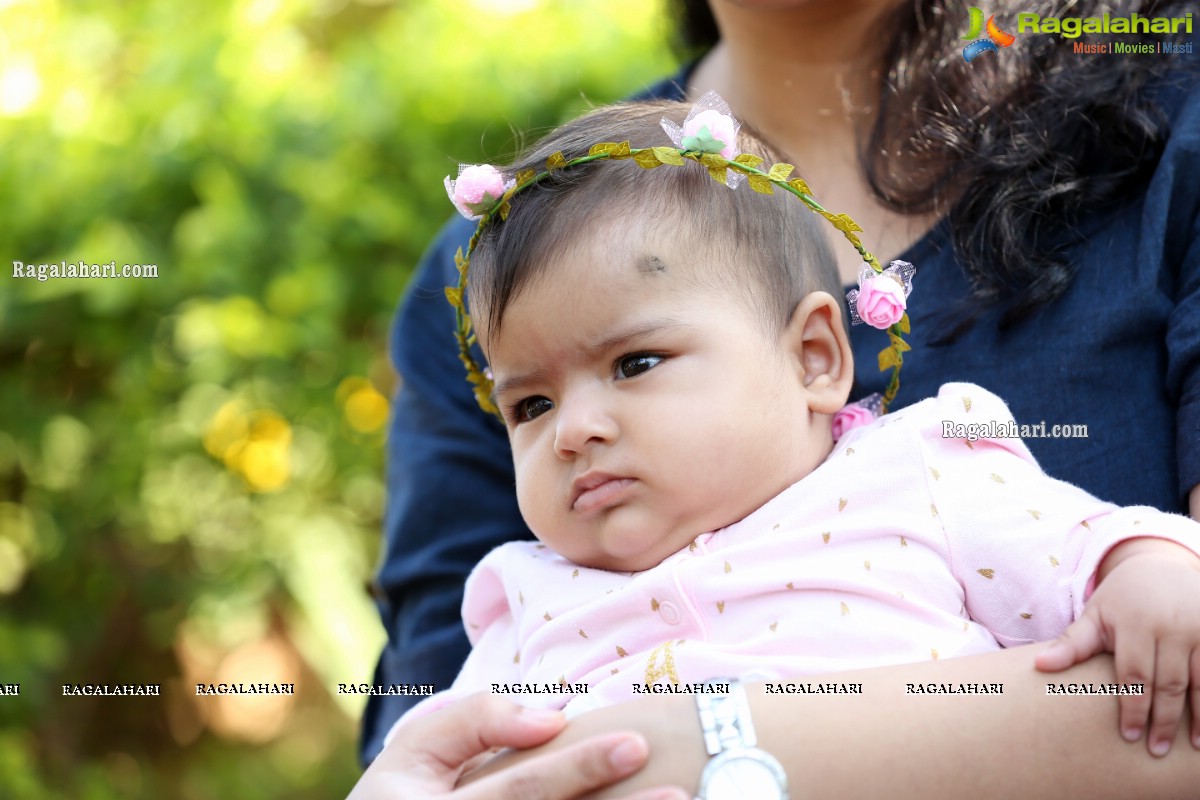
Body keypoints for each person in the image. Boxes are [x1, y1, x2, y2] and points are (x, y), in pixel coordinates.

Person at [362, 0, 1200, 788]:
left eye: (637, 364)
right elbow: (436, 757)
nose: (573, 429)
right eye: (530, 408)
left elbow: (1091, 559)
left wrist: (1145, 566)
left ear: (813, 356)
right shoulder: (526, 592)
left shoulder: (917, 478)